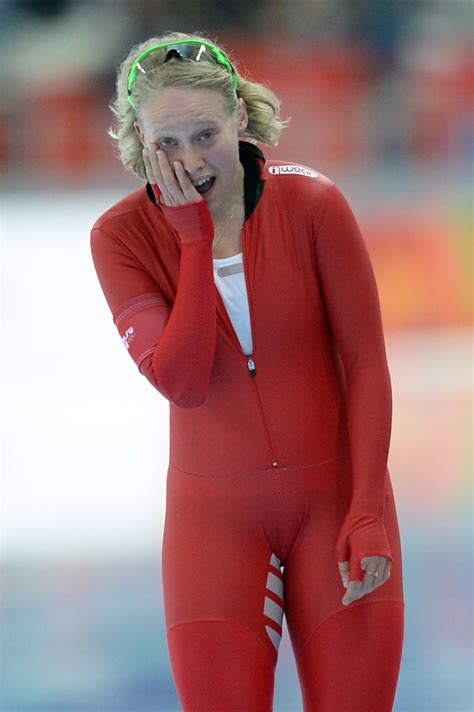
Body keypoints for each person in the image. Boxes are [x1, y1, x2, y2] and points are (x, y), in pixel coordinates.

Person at [90, 30, 405, 712]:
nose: (189, 160)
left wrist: (370, 509)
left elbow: (367, 364)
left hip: (337, 506)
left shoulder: (315, 205)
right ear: (137, 137)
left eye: (204, 134)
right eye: (165, 143)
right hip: (214, 528)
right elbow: (183, 381)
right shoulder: (120, 237)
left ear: (240, 115)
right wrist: (193, 241)